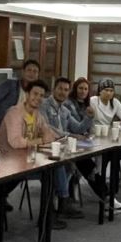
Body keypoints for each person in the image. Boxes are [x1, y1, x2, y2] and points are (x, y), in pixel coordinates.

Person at [0, 80, 78, 229]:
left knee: (60, 165)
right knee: (53, 169)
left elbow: (49, 132)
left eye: (42, 95)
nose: (38, 98)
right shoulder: (14, 113)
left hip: (28, 159)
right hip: (9, 162)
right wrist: (40, 139)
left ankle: (51, 212)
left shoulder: (36, 114)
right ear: (27, 95)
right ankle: (60, 203)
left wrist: (48, 136)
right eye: (35, 94)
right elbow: (16, 142)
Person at [42, 77, 111, 206]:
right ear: (53, 89)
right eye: (60, 89)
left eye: (66, 90)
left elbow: (78, 128)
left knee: (80, 162)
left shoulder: (64, 110)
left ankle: (63, 200)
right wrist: (71, 135)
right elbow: (48, 129)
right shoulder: (44, 105)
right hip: (46, 149)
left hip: (64, 149)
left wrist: (89, 117)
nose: (63, 92)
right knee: (77, 163)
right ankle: (64, 199)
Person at [0, 60, 41, 126]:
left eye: (35, 71)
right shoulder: (10, 85)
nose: (31, 73)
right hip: (4, 125)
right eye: (29, 70)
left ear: (38, 75)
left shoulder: (38, 93)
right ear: (23, 72)